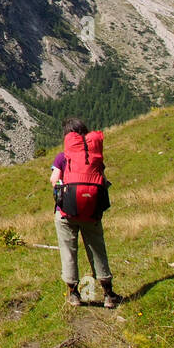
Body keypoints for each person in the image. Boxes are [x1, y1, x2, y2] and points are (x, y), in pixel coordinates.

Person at [49, 117, 123, 308]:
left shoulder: (62, 157)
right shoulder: (95, 156)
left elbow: (53, 179)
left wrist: (61, 190)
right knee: (97, 249)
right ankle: (108, 294)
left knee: (68, 251)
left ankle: (74, 294)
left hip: (66, 212)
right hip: (91, 211)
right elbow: (103, 181)